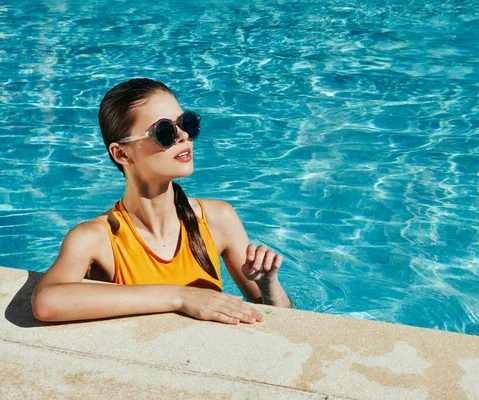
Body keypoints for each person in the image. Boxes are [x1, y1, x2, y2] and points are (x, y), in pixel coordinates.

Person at [31, 78, 292, 325]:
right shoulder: (97, 237)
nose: (183, 136)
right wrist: (180, 297)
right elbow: (46, 302)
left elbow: (280, 321)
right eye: (164, 131)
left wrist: (269, 285)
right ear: (121, 153)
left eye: (186, 123)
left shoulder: (218, 219)